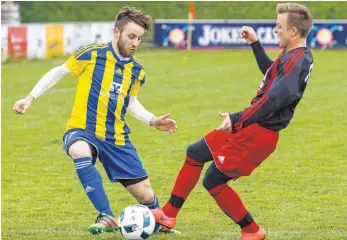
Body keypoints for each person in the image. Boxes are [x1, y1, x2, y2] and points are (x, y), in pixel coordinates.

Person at [152, 3, 314, 240]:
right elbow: (273, 75)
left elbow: (276, 97)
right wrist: (255, 44)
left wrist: (238, 119)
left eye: (279, 26)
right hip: (252, 125)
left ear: (293, 31)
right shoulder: (293, 56)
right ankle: (168, 214)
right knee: (195, 152)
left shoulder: (297, 58)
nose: (275, 29)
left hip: (259, 132)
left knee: (213, 181)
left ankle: (252, 231)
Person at [12, 7, 177, 235]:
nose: (135, 43)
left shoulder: (137, 71)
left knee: (146, 194)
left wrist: (152, 120)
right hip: (83, 128)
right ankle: (106, 215)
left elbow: (130, 102)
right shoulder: (92, 54)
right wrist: (30, 97)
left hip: (116, 136)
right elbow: (59, 71)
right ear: (116, 33)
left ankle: (159, 223)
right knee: (80, 151)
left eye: (139, 38)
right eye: (131, 37)